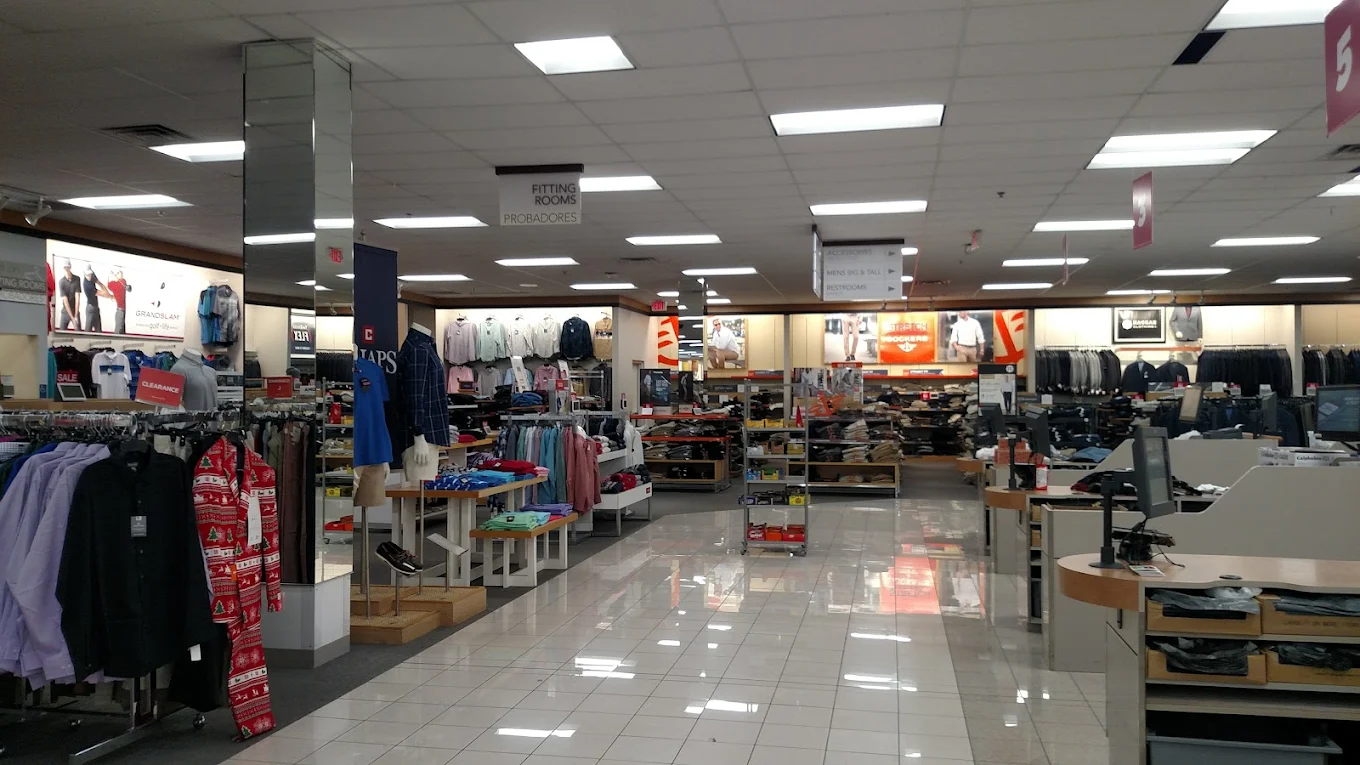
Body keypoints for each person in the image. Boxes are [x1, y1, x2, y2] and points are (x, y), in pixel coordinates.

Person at [56, 260, 81, 330]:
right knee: (61, 332)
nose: (66, 269)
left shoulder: (77, 279)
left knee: (79, 332)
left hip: (75, 310)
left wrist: (76, 315)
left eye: (68, 267)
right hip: (65, 311)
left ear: (70, 268)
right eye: (65, 267)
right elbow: (65, 301)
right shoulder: (61, 282)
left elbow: (77, 298)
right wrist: (73, 319)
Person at [106, 269, 130, 334]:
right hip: (121, 310)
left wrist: (110, 276)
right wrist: (113, 276)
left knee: (120, 330)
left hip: (120, 310)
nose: (121, 273)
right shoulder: (121, 283)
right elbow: (109, 285)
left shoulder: (122, 282)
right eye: (119, 272)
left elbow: (108, 285)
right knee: (119, 331)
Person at [82, 265, 104, 333]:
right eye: (87, 275)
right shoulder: (87, 285)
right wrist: (111, 296)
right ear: (84, 274)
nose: (89, 276)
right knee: (88, 332)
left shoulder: (92, 276)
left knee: (99, 331)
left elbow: (100, 283)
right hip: (90, 308)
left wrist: (105, 290)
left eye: (90, 274)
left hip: (96, 308)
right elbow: (101, 293)